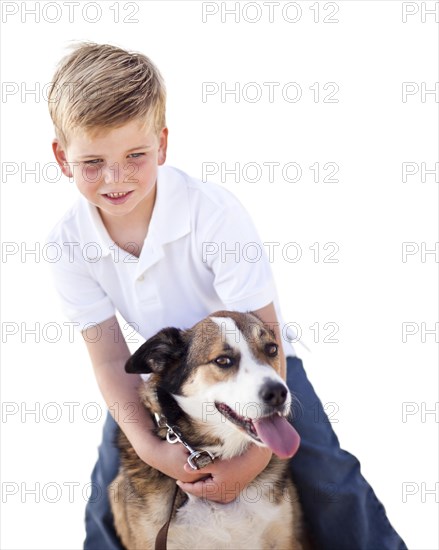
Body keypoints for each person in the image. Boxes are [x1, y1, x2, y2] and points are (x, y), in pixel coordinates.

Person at [45, 41, 407, 550]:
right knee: (108, 492)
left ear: (163, 145)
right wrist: (154, 452)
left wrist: (253, 459)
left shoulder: (212, 213)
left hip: (261, 361)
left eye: (135, 156)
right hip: (165, 374)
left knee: (330, 479)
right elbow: (108, 360)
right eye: (92, 162)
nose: (115, 177)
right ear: (62, 157)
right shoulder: (67, 242)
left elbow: (268, 330)